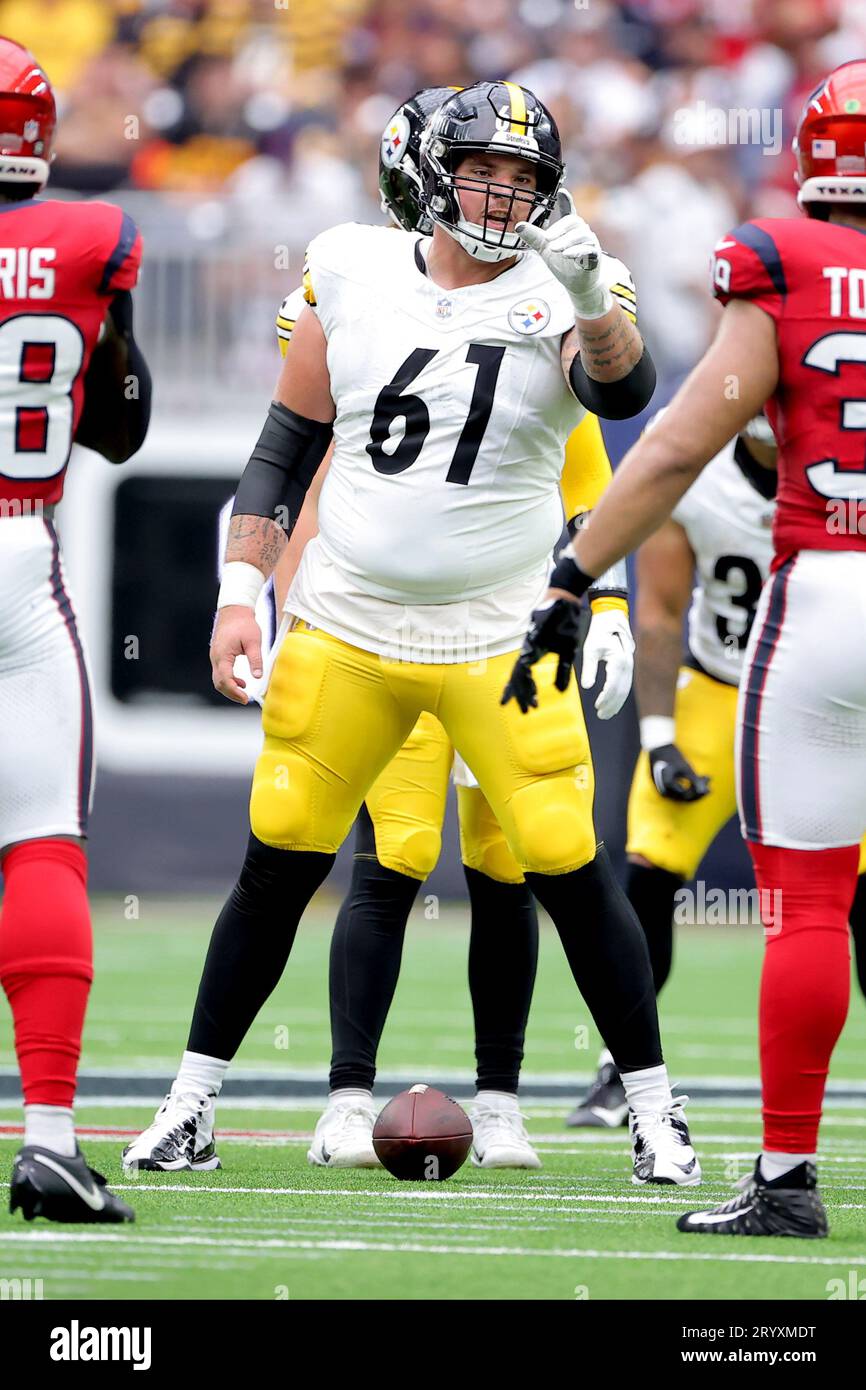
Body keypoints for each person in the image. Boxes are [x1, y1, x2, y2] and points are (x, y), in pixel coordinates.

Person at [125, 80, 698, 1189]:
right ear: (434, 171)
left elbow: (622, 397)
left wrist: (586, 290)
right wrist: (241, 586)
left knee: (566, 867)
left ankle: (653, 1115)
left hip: (497, 631)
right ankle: (191, 1102)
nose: (504, 196)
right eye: (484, 170)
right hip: (348, 620)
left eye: (525, 179)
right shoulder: (345, 264)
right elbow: (286, 441)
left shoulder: (568, 281)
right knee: (279, 860)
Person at [507, 60, 866, 1236]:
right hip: (765, 629)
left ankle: (784, 1179)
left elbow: (664, 451)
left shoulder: (787, 265)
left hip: (819, 596)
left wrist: (569, 573)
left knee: (807, 907)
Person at [276, 90, 633, 1171]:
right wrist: (267, 595)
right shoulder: (353, 278)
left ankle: (501, 1096)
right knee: (391, 853)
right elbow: (316, 457)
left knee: (504, 860)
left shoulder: (539, 286)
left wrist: (602, 597)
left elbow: (577, 450)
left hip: (505, 617)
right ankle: (345, 1092)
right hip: (378, 609)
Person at [0, 38, 151, 1223]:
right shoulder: (87, 241)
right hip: (18, 547)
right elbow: (119, 428)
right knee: (43, 841)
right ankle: (50, 1138)